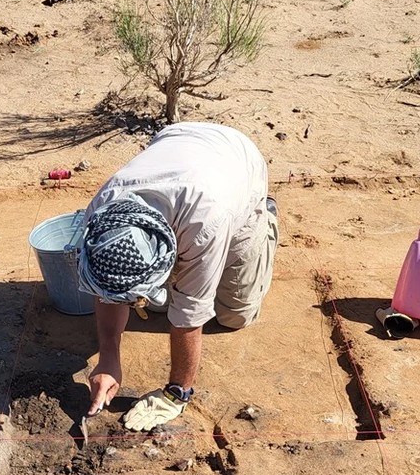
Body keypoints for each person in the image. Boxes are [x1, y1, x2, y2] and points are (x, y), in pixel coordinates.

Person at [77, 121, 278, 431]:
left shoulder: (205, 225)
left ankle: (266, 220)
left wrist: (176, 393)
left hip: (238, 167)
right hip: (177, 143)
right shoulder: (101, 220)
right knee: (152, 303)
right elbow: (108, 289)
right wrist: (108, 358)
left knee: (235, 315)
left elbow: (189, 316)